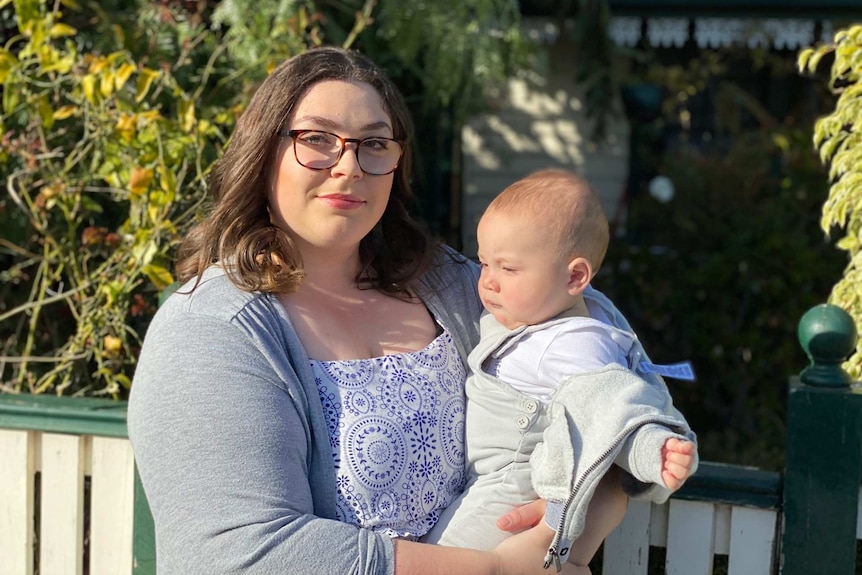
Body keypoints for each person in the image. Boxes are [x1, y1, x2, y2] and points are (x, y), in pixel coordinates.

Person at [127, 46, 657, 575]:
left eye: (374, 144)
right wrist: (493, 570)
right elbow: (239, 554)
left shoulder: (458, 287)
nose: (349, 166)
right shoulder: (211, 328)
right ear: (264, 152)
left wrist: (603, 493)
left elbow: (611, 364)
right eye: (316, 139)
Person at [423, 170, 698, 572]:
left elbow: (612, 408)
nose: (488, 283)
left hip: (510, 486)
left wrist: (651, 450)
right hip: (494, 480)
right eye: (484, 263)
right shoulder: (565, 311)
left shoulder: (571, 345)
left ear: (574, 276)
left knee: (444, 561)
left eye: (508, 269)